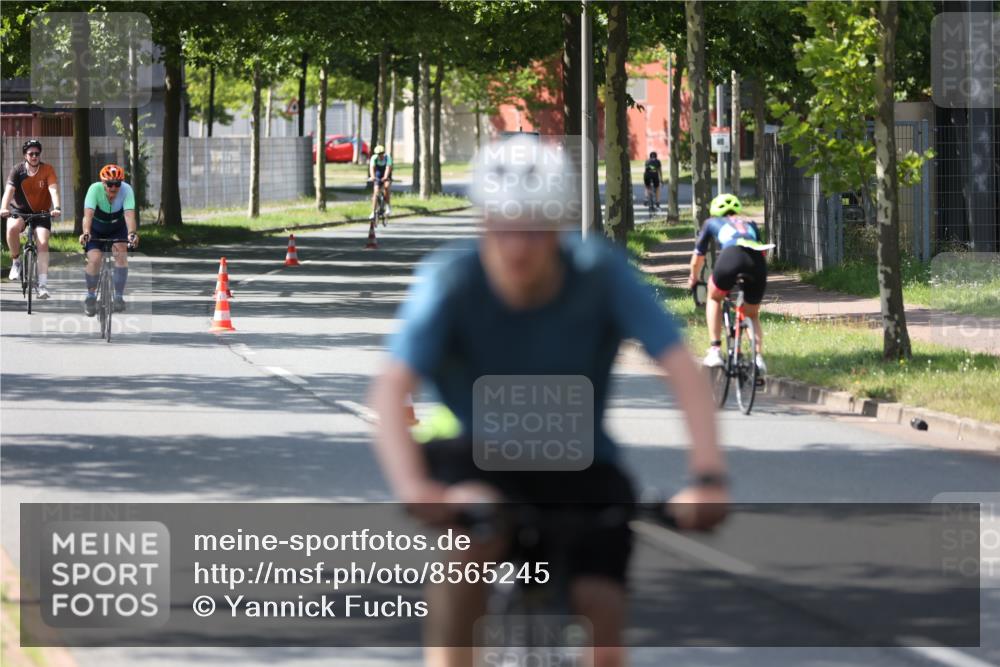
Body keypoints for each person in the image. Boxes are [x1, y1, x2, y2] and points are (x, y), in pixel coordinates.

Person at [370, 136, 727, 667]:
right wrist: (414, 487)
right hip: (475, 455)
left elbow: (679, 366)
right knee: (469, 552)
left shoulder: (598, 273)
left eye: (536, 229)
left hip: (580, 461)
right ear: (483, 224)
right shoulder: (451, 280)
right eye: (503, 228)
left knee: (600, 605)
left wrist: (707, 476)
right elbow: (391, 389)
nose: (518, 246)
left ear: (559, 226)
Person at [687, 192, 770, 373]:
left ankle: (715, 350)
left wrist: (693, 277)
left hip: (731, 256)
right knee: (752, 314)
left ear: (715, 212)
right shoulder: (751, 224)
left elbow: (698, 258)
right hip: (756, 261)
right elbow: (762, 253)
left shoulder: (711, 223)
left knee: (714, 296)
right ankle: (758, 359)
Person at [2, 139, 62, 299]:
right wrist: (3, 208)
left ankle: (42, 286)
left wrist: (57, 207)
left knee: (42, 242)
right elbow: (9, 190)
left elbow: (53, 189)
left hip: (41, 212)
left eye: (37, 153)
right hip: (20, 210)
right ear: (25, 155)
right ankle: (16, 262)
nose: (34, 156)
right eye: (31, 154)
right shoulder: (17, 170)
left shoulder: (47, 169)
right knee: (12, 228)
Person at [77, 164, 139, 315]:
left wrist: (132, 233)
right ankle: (91, 297)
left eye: (117, 184)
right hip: (96, 230)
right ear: (103, 183)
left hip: (117, 229)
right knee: (95, 259)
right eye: (109, 184)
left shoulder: (126, 190)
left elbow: (129, 215)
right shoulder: (94, 189)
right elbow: (88, 214)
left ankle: (118, 296)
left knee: (121, 253)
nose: (113, 187)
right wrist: (86, 232)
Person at [368, 145, 393, 220]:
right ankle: (373, 211)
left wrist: (385, 177)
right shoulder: (374, 158)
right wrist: (372, 176)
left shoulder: (388, 157)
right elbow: (372, 168)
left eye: (381, 153)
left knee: (386, 187)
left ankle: (388, 206)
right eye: (378, 154)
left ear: (384, 153)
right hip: (378, 174)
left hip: (386, 173)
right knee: (375, 192)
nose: (380, 155)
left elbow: (388, 168)